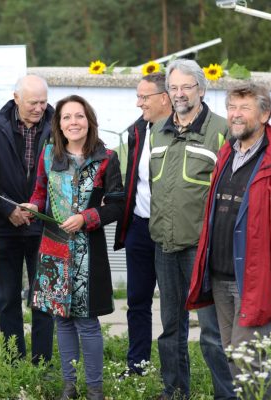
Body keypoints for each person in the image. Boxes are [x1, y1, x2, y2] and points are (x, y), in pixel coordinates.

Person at [187, 83, 271, 399]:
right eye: (231, 107)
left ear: (265, 114)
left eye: (244, 108)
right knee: (234, 355)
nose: (235, 115)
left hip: (254, 281)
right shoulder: (227, 152)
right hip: (220, 276)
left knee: (250, 362)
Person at [22, 94, 124, 400]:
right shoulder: (50, 153)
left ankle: (95, 390)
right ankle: (70, 386)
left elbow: (117, 205)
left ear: (88, 121)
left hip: (87, 254)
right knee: (61, 320)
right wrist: (32, 205)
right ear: (59, 124)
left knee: (87, 323)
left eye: (79, 116)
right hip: (54, 249)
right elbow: (41, 191)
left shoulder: (106, 158)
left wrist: (85, 217)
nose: (73, 122)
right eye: (67, 117)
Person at [149, 59, 234, 399]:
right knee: (171, 328)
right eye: (174, 87)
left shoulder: (222, 130)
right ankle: (175, 391)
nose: (180, 93)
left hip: (203, 249)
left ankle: (226, 395)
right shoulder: (157, 130)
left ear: (201, 89)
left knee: (213, 331)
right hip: (164, 246)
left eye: (187, 87)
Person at [0, 75, 54, 365]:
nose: (39, 108)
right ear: (16, 99)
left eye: (43, 102)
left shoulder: (57, 125)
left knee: (43, 300)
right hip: (5, 225)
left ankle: (42, 363)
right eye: (32, 102)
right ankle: (13, 359)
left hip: (44, 226)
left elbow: (63, 177)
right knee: (8, 297)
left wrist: (38, 207)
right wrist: (6, 209)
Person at [114, 72, 172, 378]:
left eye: (144, 97)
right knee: (137, 300)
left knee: (172, 305)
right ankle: (137, 365)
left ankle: (173, 370)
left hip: (169, 231)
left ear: (164, 98)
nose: (139, 104)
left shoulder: (180, 130)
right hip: (139, 227)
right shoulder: (138, 130)